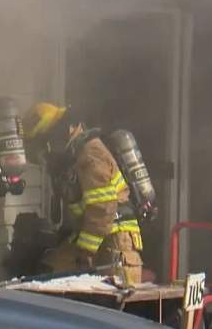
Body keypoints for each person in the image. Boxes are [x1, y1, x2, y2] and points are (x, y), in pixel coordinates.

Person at [21, 102, 145, 286]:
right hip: (94, 236)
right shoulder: (75, 158)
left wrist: (85, 253)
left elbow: (102, 208)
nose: (48, 149)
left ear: (69, 129)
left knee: (109, 305)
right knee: (51, 272)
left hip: (115, 244)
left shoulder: (90, 154)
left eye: (49, 140)